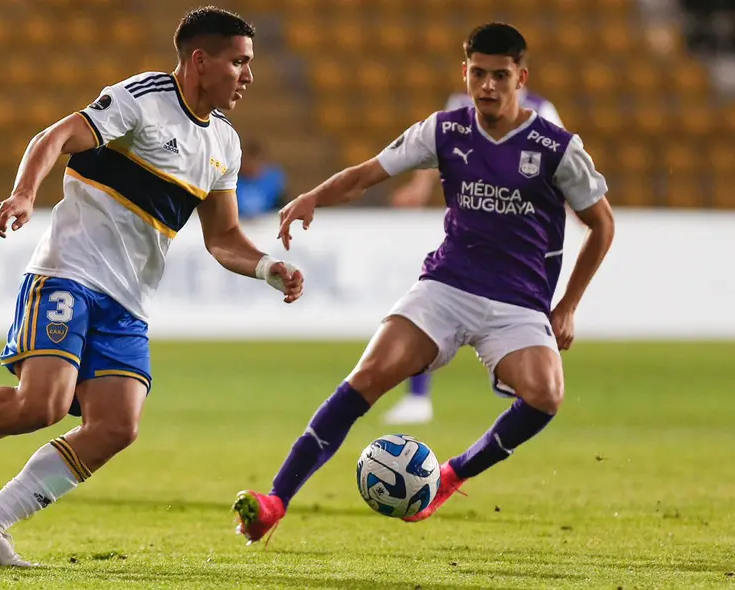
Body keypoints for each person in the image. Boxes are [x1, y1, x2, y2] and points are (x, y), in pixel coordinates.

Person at [0, 6, 303, 567]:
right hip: (68, 273)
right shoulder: (142, 99)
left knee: (116, 426)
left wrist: (266, 267)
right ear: (200, 61)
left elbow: (224, 237)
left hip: (128, 303)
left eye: (250, 64)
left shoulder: (225, 145)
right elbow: (56, 136)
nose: (248, 76)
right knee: (40, 405)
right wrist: (23, 194)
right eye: (239, 62)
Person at [232, 22, 614, 543]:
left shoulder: (556, 147)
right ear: (465, 72)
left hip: (519, 302)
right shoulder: (444, 131)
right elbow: (367, 173)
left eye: (500, 75)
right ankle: (275, 501)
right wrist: (313, 197)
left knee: (546, 395)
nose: (487, 86)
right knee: (367, 377)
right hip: (447, 288)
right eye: (478, 73)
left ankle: (452, 475)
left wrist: (567, 305)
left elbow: (602, 225)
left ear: (521, 78)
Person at [383, 85, 564, 426]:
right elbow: (439, 146)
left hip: (518, 239)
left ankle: (515, 382)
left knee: (505, 316)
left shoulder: (542, 110)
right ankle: (418, 398)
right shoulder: (462, 103)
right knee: (431, 308)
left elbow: (561, 166)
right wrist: (420, 186)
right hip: (471, 227)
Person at [235, 139, 286, 218]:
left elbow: (281, 206)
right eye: (247, 162)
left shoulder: (273, 180)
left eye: (255, 162)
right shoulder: (234, 181)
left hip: (266, 221)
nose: (251, 166)